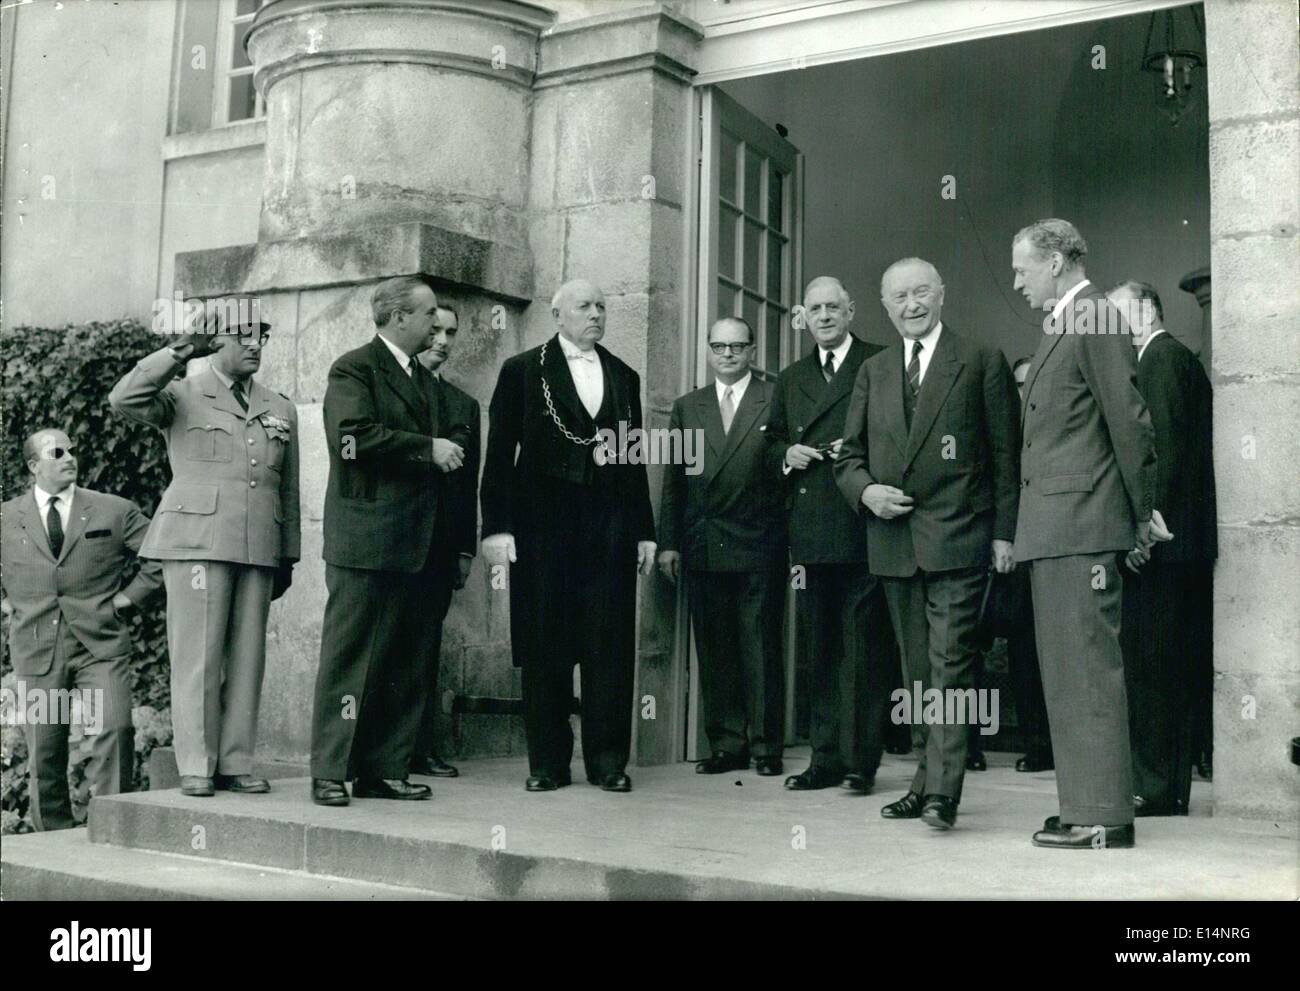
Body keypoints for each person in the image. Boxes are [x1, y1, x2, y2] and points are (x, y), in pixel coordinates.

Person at [835, 258, 1020, 830]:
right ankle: (925, 777)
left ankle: (943, 792)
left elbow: (1007, 458)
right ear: (884, 307)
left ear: (941, 295)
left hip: (958, 540)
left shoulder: (981, 360)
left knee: (950, 670)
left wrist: (1005, 535)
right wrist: (866, 494)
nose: (910, 305)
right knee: (918, 676)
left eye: (920, 293)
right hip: (893, 542)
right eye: (898, 297)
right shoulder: (875, 369)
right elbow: (847, 455)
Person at [1010, 219, 1165, 849]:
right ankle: (1085, 803)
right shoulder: (1068, 321)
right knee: (1069, 673)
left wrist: (1140, 515)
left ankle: (1103, 815)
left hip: (1080, 525)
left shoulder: (1095, 317)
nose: (1016, 280)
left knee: (1086, 671)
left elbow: (1130, 423)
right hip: (1060, 527)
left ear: (1054, 262)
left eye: (1022, 267)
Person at [109, 296, 299, 797]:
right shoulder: (182, 392)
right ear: (216, 341)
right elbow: (124, 398)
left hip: (259, 544)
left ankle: (235, 761)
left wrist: (289, 554)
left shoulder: (278, 405)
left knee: (247, 658)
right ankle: (196, 764)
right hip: (196, 542)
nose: (256, 345)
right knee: (197, 656)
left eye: (262, 336)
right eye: (244, 336)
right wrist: (179, 351)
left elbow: (289, 489)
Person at [479, 279, 656, 793]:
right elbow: (499, 457)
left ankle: (607, 764)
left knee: (610, 647)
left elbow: (634, 458)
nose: (596, 314)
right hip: (542, 531)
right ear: (558, 315)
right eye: (584, 306)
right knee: (544, 648)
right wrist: (496, 527)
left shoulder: (625, 376)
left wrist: (644, 532)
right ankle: (548, 764)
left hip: (610, 532)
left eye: (602, 306)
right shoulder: (521, 371)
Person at [308, 276, 470, 807]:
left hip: (416, 545)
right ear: (399, 317)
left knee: (404, 661)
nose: (435, 326)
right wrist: (427, 447)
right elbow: (351, 438)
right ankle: (331, 771)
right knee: (350, 658)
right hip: (366, 541)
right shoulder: (355, 367)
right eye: (427, 316)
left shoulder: (422, 380)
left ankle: (384, 769)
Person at [767, 276, 893, 794]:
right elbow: (771, 437)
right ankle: (824, 758)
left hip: (862, 520)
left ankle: (861, 761)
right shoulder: (792, 376)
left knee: (864, 650)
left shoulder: (879, 363)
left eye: (832, 307)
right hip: (813, 527)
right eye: (814, 309)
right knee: (819, 648)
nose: (823, 316)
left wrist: (862, 450)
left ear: (851, 310)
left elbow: (902, 432)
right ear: (804, 317)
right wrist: (785, 454)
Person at [1, 429, 162, 829]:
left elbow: (160, 557)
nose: (70, 457)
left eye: (73, 449)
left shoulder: (113, 510)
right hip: (39, 651)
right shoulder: (6, 518)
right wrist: (8, 606)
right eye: (58, 452)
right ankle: (52, 841)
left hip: (99, 646)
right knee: (45, 750)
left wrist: (126, 600)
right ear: (34, 466)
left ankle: (111, 833)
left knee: (114, 730)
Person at [658, 317, 787, 776]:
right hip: (703, 544)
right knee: (715, 649)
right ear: (709, 352)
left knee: (760, 647)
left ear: (753, 350)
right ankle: (727, 744)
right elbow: (674, 482)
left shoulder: (775, 398)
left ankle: (766, 747)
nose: (728, 354)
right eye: (719, 346)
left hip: (760, 543)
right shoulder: (688, 407)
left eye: (737, 346)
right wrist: (668, 543)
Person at [1108, 280, 1217, 816]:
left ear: (1146, 312)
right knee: (1164, 669)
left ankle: (1154, 787)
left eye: (1116, 314)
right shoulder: (1171, 359)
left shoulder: (1161, 360)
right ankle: (1163, 788)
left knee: (1154, 669)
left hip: (1165, 546)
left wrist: (1144, 530)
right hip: (1177, 545)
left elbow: (1164, 450)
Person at [411, 304, 481, 779]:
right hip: (392, 541)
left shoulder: (462, 404)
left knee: (425, 649)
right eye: (433, 329)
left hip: (438, 548)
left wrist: (463, 549)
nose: (441, 339)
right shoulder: (394, 388)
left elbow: (465, 484)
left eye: (450, 332)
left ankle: (421, 748)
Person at [1008, 356, 1053, 774]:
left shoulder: (1054, 423)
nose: (1024, 393)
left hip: (1054, 545)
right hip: (1014, 553)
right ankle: (1036, 742)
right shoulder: (1003, 427)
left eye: (1029, 384)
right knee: (1022, 649)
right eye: (1017, 385)